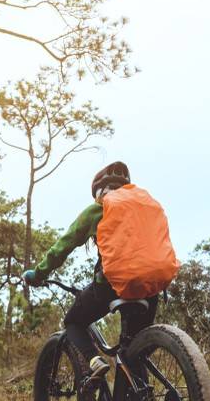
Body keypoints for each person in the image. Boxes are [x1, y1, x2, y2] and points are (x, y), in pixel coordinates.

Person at [23, 161, 160, 385]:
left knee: (73, 322)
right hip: (152, 286)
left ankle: (94, 360)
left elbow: (62, 247)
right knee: (134, 350)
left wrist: (38, 274)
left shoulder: (100, 208)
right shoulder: (145, 208)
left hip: (112, 285)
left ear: (99, 191)